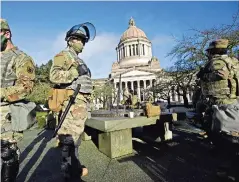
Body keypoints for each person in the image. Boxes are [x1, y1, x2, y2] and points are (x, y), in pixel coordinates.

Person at [49, 22, 96, 181]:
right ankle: (69, 176)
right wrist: (75, 72)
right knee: (69, 142)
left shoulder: (78, 59)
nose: (82, 43)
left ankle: (74, 170)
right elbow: (54, 76)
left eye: (83, 40)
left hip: (80, 106)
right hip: (71, 104)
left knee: (75, 141)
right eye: (79, 39)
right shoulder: (63, 55)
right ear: (70, 40)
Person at [197, 38, 239, 179]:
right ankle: (225, 162)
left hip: (224, 105)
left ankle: (227, 166)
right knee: (223, 135)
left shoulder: (218, 65)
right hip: (224, 104)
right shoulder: (232, 63)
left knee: (227, 137)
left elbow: (204, 88)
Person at [0, 18, 36, 181]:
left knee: (8, 153)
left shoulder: (21, 58)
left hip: (8, 113)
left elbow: (26, 87)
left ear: (6, 34)